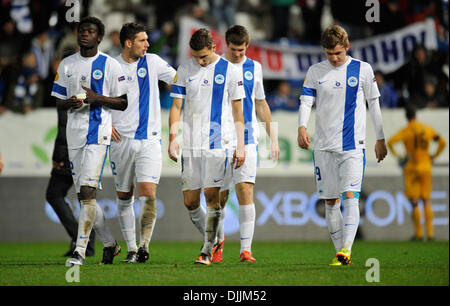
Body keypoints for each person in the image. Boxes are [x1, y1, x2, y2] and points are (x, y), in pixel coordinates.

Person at [297, 25, 387, 266]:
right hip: (323, 147)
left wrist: (380, 138)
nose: (334, 58)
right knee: (330, 202)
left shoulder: (363, 69)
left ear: (347, 47)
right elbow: (306, 100)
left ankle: (346, 249)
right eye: (329, 53)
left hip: (352, 147)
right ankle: (340, 253)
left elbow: (374, 105)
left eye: (337, 53)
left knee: (350, 197)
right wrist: (301, 126)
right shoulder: (316, 71)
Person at [51, 16, 128, 266]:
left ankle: (80, 252)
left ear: (99, 37)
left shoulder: (110, 65)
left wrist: (97, 98)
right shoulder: (66, 64)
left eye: (90, 31)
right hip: (74, 136)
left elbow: (122, 102)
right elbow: (58, 102)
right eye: (82, 30)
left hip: (98, 135)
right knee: (87, 198)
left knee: (86, 192)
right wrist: (71, 102)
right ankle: (110, 244)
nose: (84, 34)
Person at [168, 28, 246, 265]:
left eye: (203, 56)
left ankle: (206, 250)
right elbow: (176, 107)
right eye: (196, 56)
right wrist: (173, 137)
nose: (200, 61)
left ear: (213, 48)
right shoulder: (184, 69)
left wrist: (240, 145)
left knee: (211, 197)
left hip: (217, 144)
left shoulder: (230, 71)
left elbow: (237, 112)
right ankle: (215, 239)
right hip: (191, 145)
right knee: (191, 203)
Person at [212, 25, 280, 263]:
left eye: (242, 50)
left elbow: (260, 103)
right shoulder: (214, 66)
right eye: (233, 49)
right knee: (219, 197)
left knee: (245, 190)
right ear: (226, 46)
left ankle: (245, 249)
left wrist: (273, 137)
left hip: (248, 138)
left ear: (247, 46)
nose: (238, 54)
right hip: (219, 139)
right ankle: (218, 242)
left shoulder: (254, 68)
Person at [109, 22, 176, 263]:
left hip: (149, 140)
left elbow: (179, 81)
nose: (147, 44)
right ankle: (131, 248)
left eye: (147, 40)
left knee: (148, 193)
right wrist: (107, 125)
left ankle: (145, 246)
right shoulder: (110, 66)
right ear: (128, 43)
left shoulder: (154, 61)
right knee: (124, 195)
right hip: (120, 141)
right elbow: (95, 99)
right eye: (142, 40)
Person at [387, 106, 446, 241]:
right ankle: (430, 234)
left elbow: (390, 142)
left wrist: (399, 156)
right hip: (426, 166)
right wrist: (433, 156)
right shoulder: (426, 128)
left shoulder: (406, 131)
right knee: (426, 200)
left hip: (412, 167)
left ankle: (419, 234)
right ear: (415, 115)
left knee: (414, 201)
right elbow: (442, 142)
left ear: (406, 117)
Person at [45, 106, 96, 257]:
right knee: (86, 197)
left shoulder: (67, 94)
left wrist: (59, 155)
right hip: (89, 149)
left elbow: (65, 128)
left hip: (71, 152)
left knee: (54, 195)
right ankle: (86, 241)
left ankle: (83, 239)